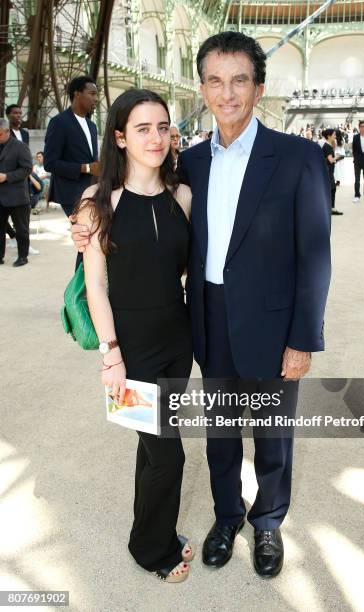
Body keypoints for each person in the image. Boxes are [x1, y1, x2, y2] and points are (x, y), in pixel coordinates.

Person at [72, 31, 331, 579]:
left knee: (272, 430)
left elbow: (314, 258)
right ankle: (226, 516)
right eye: (216, 81)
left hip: (272, 323)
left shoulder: (300, 158)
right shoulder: (189, 164)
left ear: (258, 88)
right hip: (207, 318)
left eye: (240, 80)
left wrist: (303, 338)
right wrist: (85, 215)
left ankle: (267, 523)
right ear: (203, 88)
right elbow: (140, 205)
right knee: (219, 430)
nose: (227, 93)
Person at [74, 89, 194, 583]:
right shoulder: (96, 200)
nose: (156, 138)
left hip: (177, 341)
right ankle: (151, 550)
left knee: (153, 449)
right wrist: (111, 355)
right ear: (120, 137)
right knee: (169, 454)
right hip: (130, 348)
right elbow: (95, 285)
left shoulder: (182, 196)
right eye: (142, 129)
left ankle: (150, 532)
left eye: (162, 127)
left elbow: (182, 270)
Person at [44, 75, 99, 217]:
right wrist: (86, 168)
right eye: (92, 93)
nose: (96, 99)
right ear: (77, 94)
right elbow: (50, 163)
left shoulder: (92, 126)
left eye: (96, 94)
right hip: (71, 193)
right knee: (86, 234)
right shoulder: (59, 123)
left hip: (93, 190)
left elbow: (91, 159)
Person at [0, 118, 33, 266]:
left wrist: (7, 176)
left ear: (7, 132)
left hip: (17, 196)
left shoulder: (20, 147)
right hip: (1, 197)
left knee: (21, 229)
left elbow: (27, 169)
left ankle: (22, 256)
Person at [322, 129, 344, 216]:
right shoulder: (328, 147)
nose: (335, 137)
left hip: (328, 171)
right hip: (328, 172)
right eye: (334, 135)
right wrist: (338, 157)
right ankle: (331, 208)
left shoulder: (327, 146)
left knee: (331, 189)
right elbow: (331, 160)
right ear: (329, 136)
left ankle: (330, 208)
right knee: (332, 189)